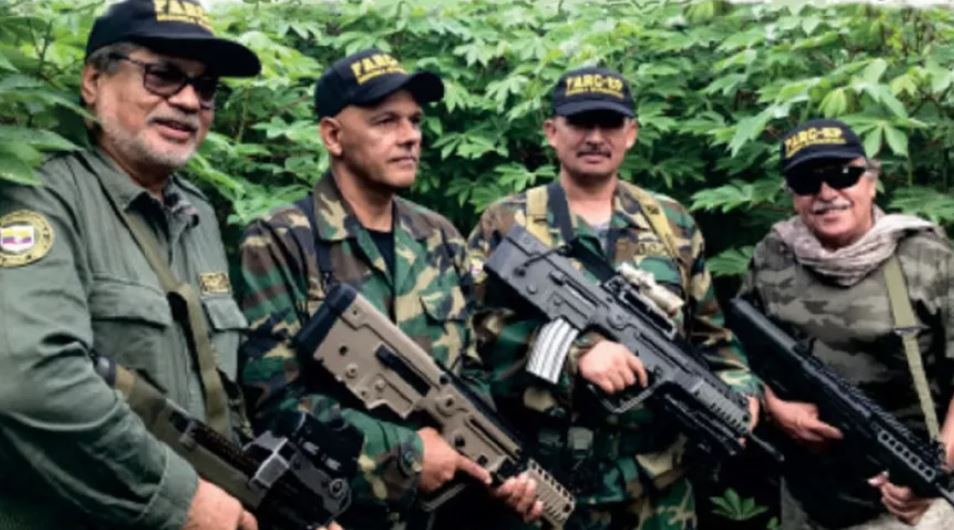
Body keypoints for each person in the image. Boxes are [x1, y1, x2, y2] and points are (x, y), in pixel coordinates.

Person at [238, 48, 541, 530]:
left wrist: (492, 462)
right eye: (385, 121)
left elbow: (470, 374)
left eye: (415, 121)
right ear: (333, 135)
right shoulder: (283, 239)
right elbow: (274, 403)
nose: (410, 136)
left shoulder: (439, 236)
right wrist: (409, 453)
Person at [0, 1, 262, 529]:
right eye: (162, 74)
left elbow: (218, 401)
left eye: (206, 87)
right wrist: (182, 499)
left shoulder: (199, 216)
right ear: (93, 80)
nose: (188, 101)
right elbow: (29, 379)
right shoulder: (41, 194)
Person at [466, 66, 761, 530]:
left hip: (658, 491)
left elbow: (713, 339)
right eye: (581, 123)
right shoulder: (508, 222)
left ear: (631, 134)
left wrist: (740, 394)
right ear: (552, 131)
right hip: (544, 487)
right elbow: (469, 331)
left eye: (609, 123)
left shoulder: (672, 224)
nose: (595, 137)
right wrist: (577, 353)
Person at [740, 118, 954, 529]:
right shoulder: (773, 256)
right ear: (793, 195)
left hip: (906, 506)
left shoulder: (927, 259)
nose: (826, 193)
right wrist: (776, 408)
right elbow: (737, 350)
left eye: (843, 175)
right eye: (807, 181)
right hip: (806, 500)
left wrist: (934, 472)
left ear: (871, 182)